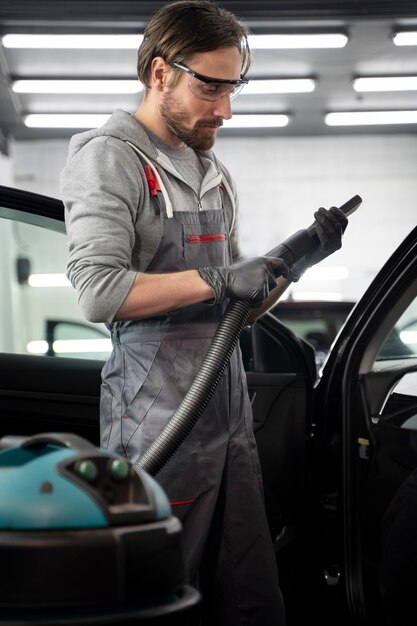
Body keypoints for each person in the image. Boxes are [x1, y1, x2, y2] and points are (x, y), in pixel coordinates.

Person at [61, 2, 347, 624]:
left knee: (249, 591)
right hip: (155, 420)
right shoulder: (110, 158)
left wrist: (294, 263)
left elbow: (237, 308)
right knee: (158, 592)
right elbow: (98, 291)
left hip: (227, 419)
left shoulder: (211, 168)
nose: (225, 109)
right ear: (160, 74)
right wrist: (218, 277)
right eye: (210, 87)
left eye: (232, 87)